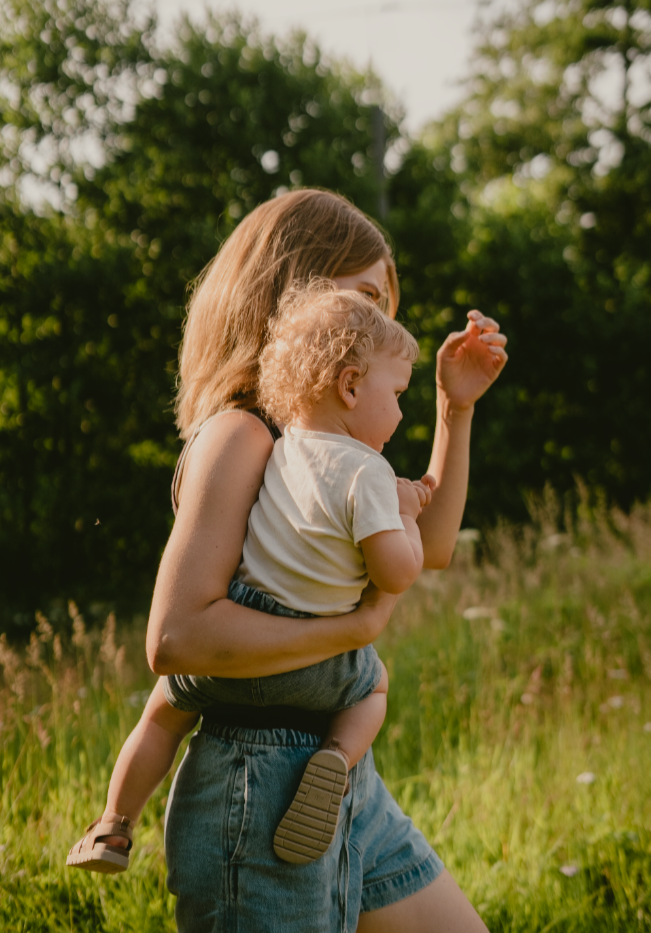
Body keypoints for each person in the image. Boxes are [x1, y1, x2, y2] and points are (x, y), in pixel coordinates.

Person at [74, 189, 508, 931]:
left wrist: (453, 407)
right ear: (294, 288)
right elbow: (174, 639)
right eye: (367, 296)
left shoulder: (328, 447)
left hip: (341, 779)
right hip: (257, 776)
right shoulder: (241, 437)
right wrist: (347, 635)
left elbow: (429, 546)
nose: (384, 322)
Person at [67, 280, 432, 872]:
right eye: (397, 394)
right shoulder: (369, 472)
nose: (398, 411)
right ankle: (336, 763)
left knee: (163, 712)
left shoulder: (277, 450)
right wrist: (407, 516)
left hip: (237, 636)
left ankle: (113, 823)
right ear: (351, 385)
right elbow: (397, 571)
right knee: (375, 689)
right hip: (313, 661)